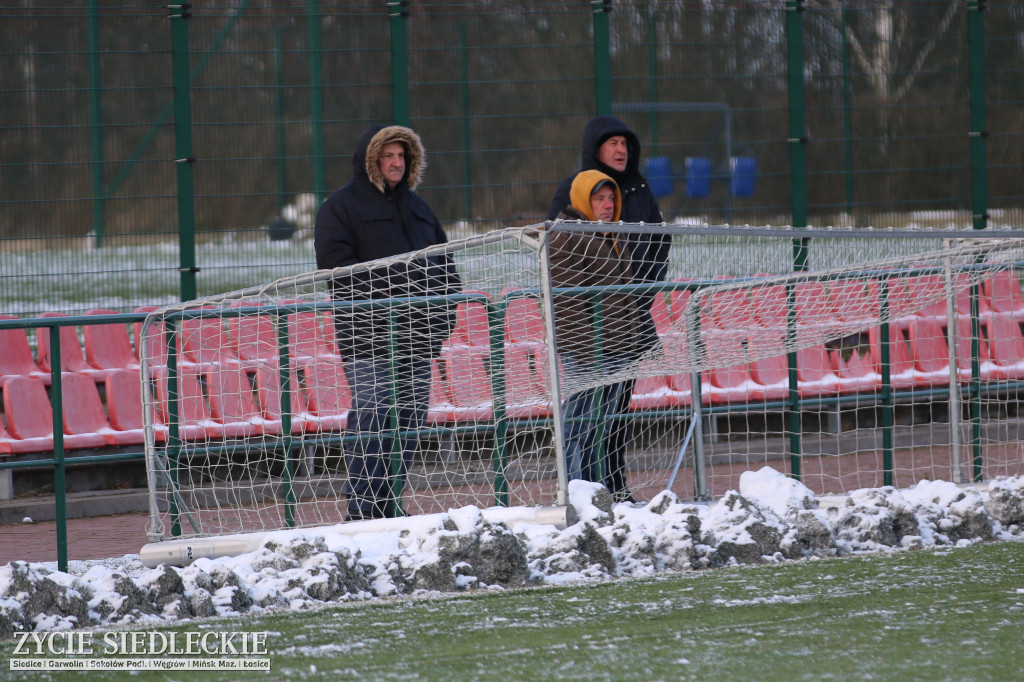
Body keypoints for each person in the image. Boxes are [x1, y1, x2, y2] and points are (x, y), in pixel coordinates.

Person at [315, 124, 462, 520]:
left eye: (402, 156)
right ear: (372, 160)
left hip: (418, 338)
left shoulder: (419, 207)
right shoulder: (340, 207)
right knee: (373, 416)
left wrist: (442, 318)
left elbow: (447, 268)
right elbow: (336, 268)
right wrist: (394, 295)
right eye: (389, 156)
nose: (397, 163)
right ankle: (362, 510)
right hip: (369, 338)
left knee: (410, 421)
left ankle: (390, 503)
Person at [547, 115, 670, 503]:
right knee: (585, 415)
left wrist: (636, 301)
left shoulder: (639, 190)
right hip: (592, 336)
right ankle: (582, 490)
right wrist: (593, 331)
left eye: (625, 143)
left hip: (627, 324)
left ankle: (611, 485)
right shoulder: (571, 203)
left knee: (615, 411)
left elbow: (658, 248)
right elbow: (565, 280)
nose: (620, 150)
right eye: (612, 143)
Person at [548, 170, 646, 487]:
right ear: (581, 200)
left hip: (617, 348)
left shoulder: (611, 234)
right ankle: (574, 492)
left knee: (598, 429)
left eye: (611, 198)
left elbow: (625, 296)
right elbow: (567, 304)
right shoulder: (566, 234)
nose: (607, 204)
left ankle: (595, 493)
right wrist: (590, 353)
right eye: (599, 198)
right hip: (588, 352)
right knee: (576, 426)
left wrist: (630, 342)